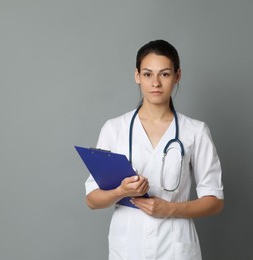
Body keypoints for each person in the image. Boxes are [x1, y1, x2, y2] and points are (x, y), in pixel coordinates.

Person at [85, 39, 224, 260]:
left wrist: (170, 209)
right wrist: (121, 192)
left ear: (177, 76)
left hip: (175, 245)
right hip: (129, 245)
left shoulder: (195, 131)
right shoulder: (114, 128)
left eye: (165, 74)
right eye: (148, 74)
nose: (156, 83)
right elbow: (92, 200)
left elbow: (214, 201)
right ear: (137, 76)